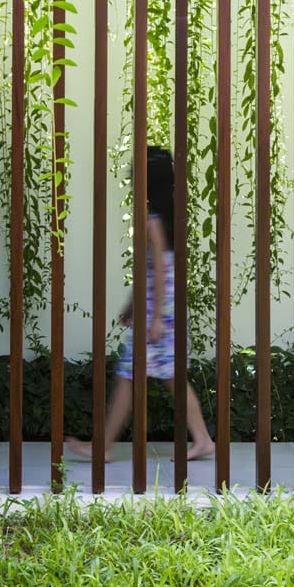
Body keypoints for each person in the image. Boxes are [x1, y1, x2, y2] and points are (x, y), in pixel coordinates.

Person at [68, 146, 214, 462]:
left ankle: (103, 447)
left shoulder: (152, 220)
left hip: (159, 311)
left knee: (128, 375)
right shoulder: (167, 216)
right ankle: (202, 439)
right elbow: (149, 268)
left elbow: (159, 269)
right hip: (161, 307)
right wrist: (134, 304)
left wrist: (156, 315)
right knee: (168, 377)